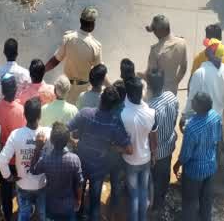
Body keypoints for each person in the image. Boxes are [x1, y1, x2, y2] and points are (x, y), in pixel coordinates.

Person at [68, 86, 132, 221]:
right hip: (99, 169)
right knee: (95, 203)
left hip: (81, 164)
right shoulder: (114, 123)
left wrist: (74, 142)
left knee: (78, 196)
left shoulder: (85, 114)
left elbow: (65, 129)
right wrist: (111, 149)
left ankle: (78, 216)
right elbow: (129, 149)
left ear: (100, 99)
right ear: (114, 105)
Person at [0, 97, 50, 221]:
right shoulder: (48, 133)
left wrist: (9, 177)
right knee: (43, 215)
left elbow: (2, 161)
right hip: (42, 183)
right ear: (40, 115)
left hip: (23, 184)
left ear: (25, 115)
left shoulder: (16, 135)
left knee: (23, 215)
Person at [174, 92, 221, 221]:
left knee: (190, 200)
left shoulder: (191, 127)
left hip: (194, 171)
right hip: (211, 166)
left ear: (199, 107)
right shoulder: (215, 116)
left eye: (194, 101)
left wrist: (177, 164)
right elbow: (218, 140)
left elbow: (186, 154)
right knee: (206, 199)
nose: (192, 101)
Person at [45, 7, 103, 104]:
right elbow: (99, 72)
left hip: (65, 88)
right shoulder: (96, 46)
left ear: (80, 20)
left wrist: (42, 71)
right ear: (93, 25)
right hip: (83, 90)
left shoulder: (68, 38)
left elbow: (56, 60)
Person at [120, 77, 157, 221]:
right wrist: (153, 155)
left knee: (134, 194)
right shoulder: (152, 113)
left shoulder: (123, 115)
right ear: (142, 92)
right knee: (143, 192)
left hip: (130, 161)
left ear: (128, 94)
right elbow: (154, 140)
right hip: (146, 159)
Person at [31, 121, 84, 221]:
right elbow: (79, 183)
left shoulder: (45, 159)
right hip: (68, 205)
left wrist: (38, 148)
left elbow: (33, 170)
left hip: (51, 205)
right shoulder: (74, 159)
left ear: (51, 140)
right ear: (67, 140)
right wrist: (79, 199)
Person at [0, 75, 25, 221]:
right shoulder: (21, 110)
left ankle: (7, 216)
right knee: (21, 189)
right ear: (15, 89)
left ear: (3, 91)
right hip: (17, 159)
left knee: (5, 192)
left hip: (2, 158)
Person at [147, 70, 179, 211]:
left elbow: (150, 135)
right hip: (169, 145)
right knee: (164, 176)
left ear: (149, 86)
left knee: (154, 180)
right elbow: (175, 119)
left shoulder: (150, 107)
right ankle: (162, 200)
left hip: (156, 152)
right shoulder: (171, 96)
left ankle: (156, 206)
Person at [145, 14, 187, 94]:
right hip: (172, 92)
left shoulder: (155, 51)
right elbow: (183, 68)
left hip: (157, 95)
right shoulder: (182, 43)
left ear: (159, 32)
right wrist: (175, 83)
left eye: (154, 30)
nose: (154, 33)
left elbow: (150, 77)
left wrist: (137, 74)